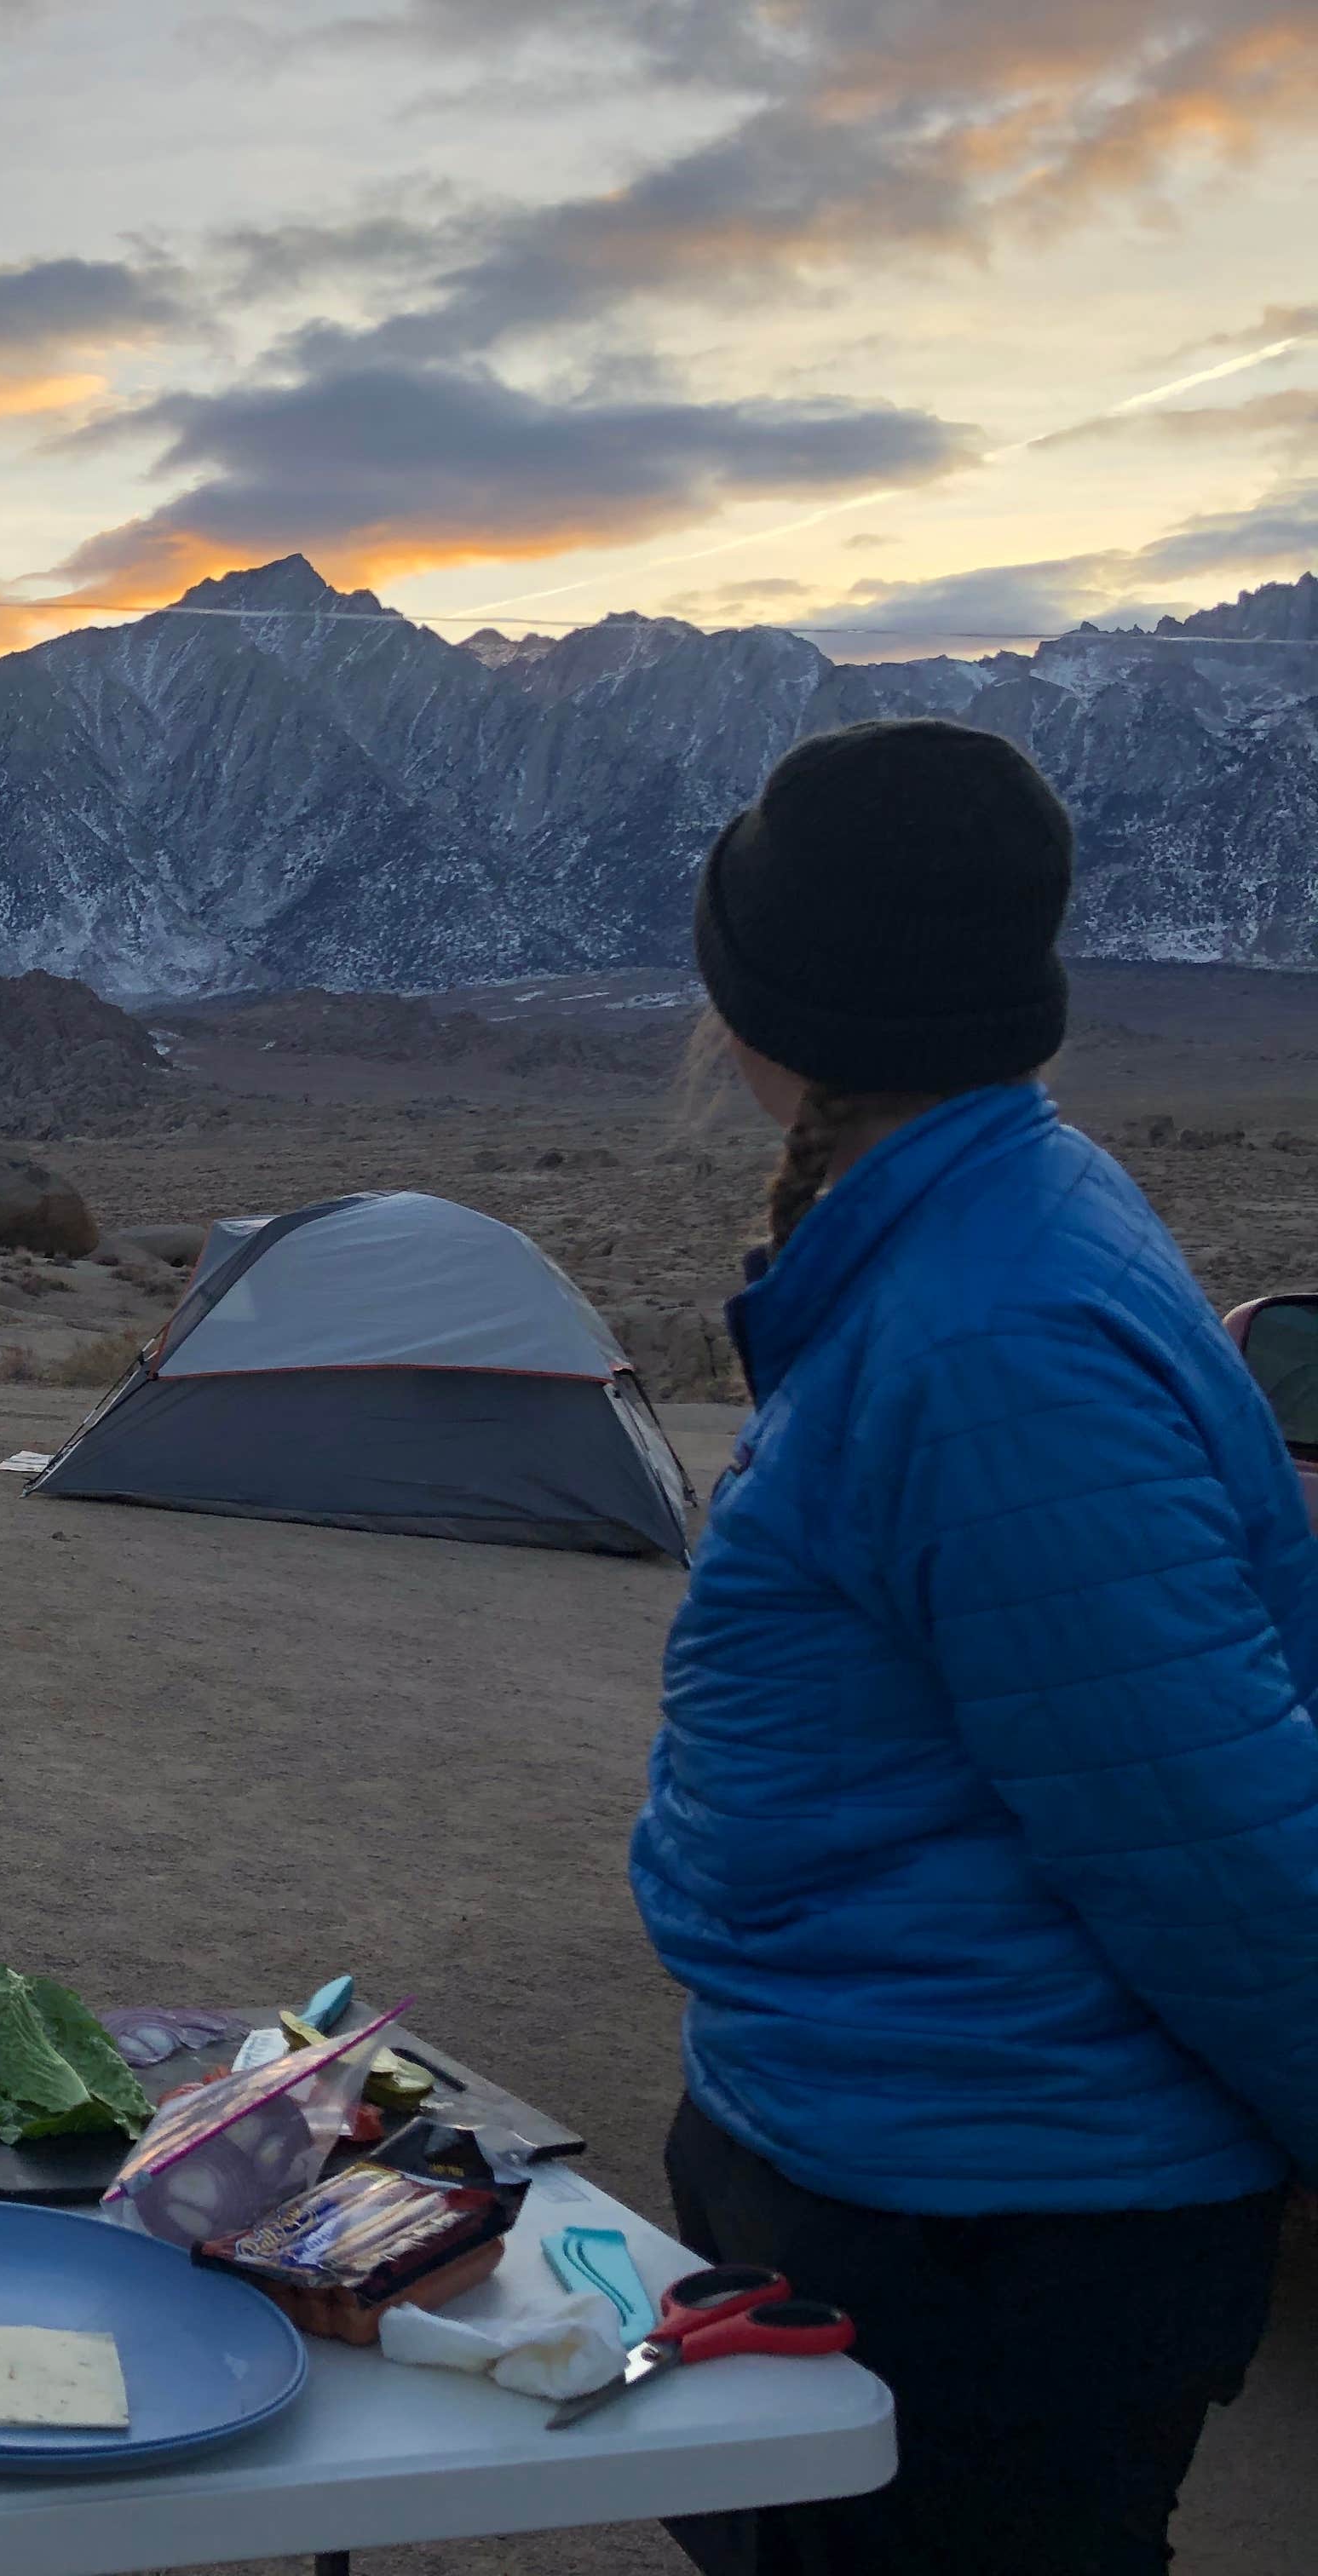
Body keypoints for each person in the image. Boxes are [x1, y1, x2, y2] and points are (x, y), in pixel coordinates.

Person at [632, 717, 1318, 2576]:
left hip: (998, 2232)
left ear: (762, 1003)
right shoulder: (981, 1225)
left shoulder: (993, 1343)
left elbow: (1222, 1849)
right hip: (896, 2164)